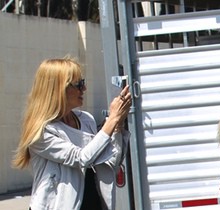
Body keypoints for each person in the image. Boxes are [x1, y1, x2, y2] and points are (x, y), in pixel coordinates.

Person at [12, 57, 132, 210]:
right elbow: (81, 158)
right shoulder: (41, 132)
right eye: (79, 84)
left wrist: (117, 125)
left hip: (92, 202)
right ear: (59, 89)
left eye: (83, 82)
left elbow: (109, 161)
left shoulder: (86, 119)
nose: (84, 89)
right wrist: (111, 120)